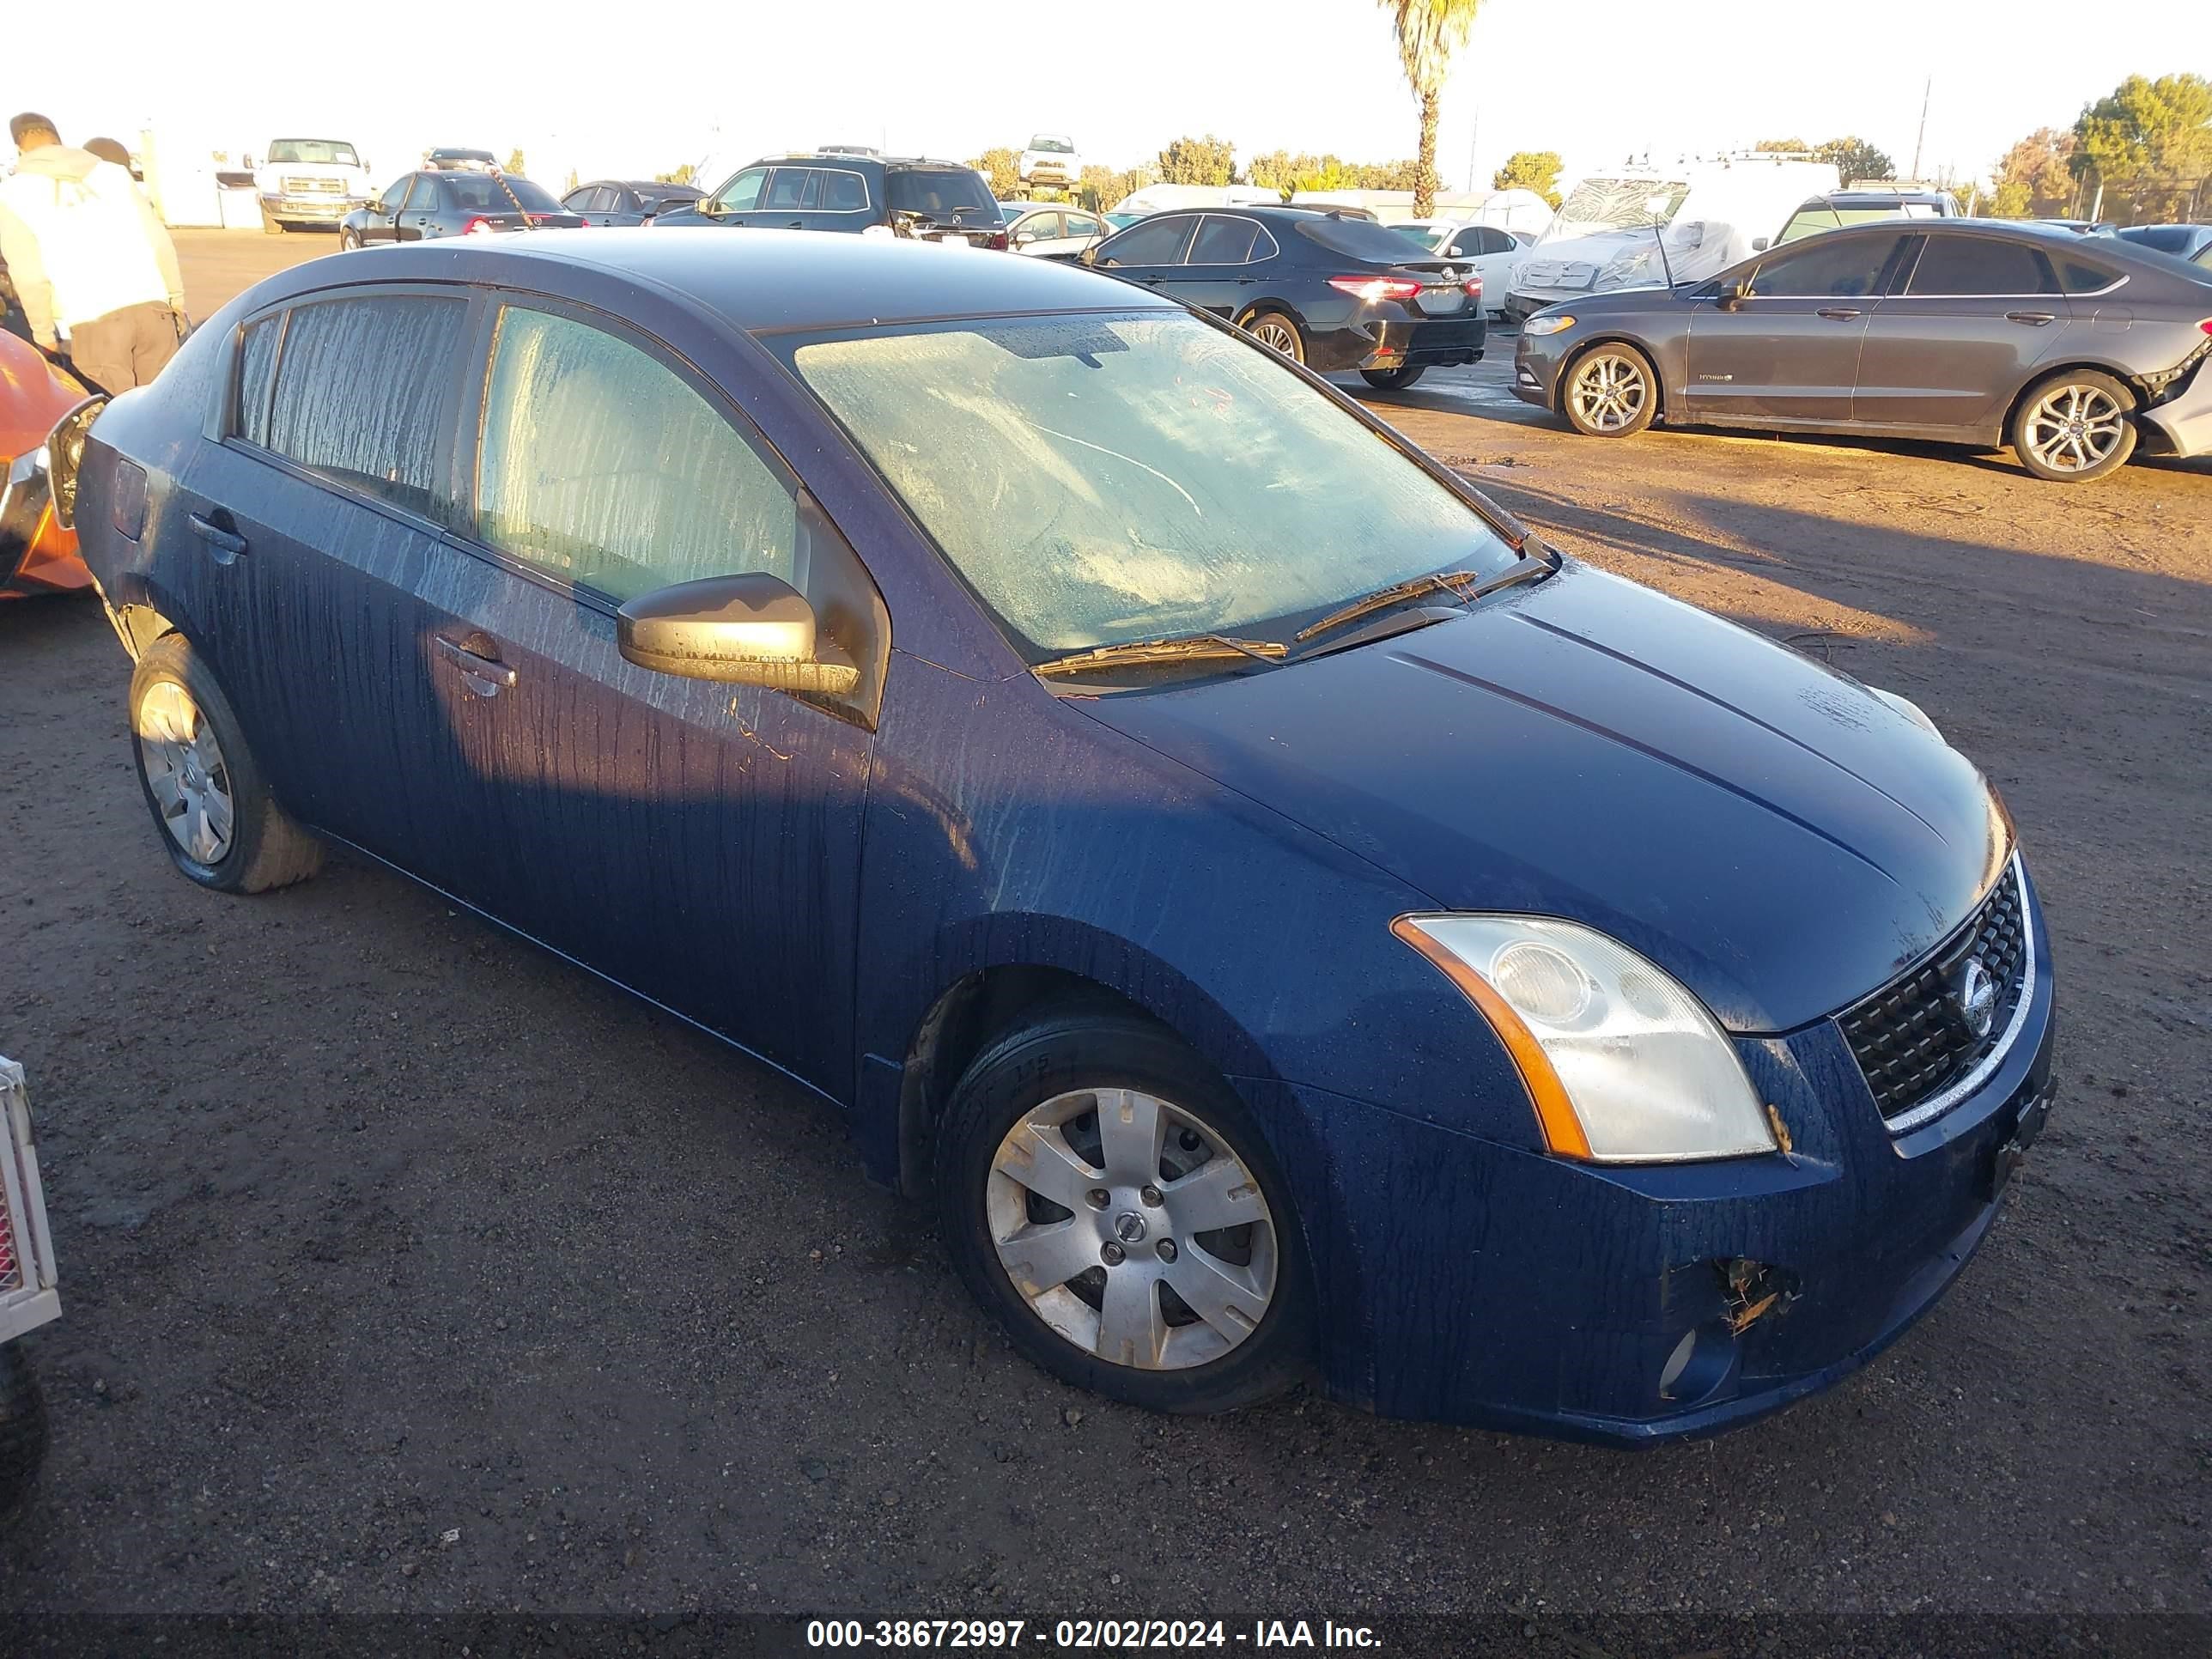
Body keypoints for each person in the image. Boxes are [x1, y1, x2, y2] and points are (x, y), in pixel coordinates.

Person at [0, 112, 186, 391]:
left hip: (94, 321)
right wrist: (176, 299)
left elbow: (30, 275)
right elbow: (158, 241)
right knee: (165, 414)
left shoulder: (12, 195)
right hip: (154, 309)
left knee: (113, 425)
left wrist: (44, 335)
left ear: (18, 148)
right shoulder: (113, 174)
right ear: (59, 140)